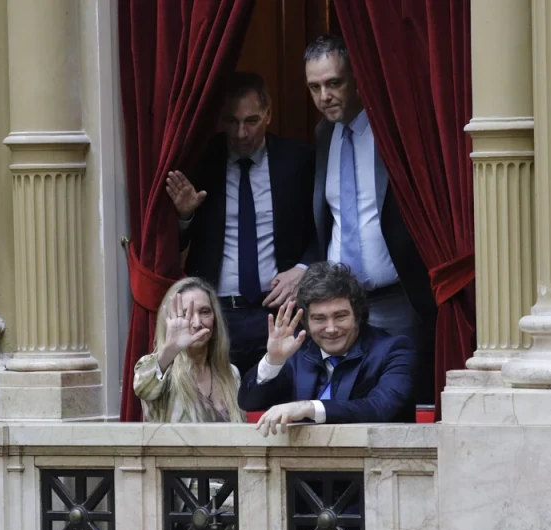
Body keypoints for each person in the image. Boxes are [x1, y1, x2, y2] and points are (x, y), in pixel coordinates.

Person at [303, 35, 435, 399]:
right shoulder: (323, 134)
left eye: (334, 83)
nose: (324, 96)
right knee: (341, 402)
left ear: (358, 78)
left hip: (396, 300)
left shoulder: (392, 130)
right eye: (314, 87)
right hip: (337, 307)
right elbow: (327, 217)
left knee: (401, 402)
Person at [166, 71, 316, 377]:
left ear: (269, 114)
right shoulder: (202, 159)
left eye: (251, 121)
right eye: (232, 122)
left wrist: (302, 269)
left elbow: (323, 229)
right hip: (216, 314)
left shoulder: (298, 161)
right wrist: (185, 216)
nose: (241, 133)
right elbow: (172, 243)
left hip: (278, 310)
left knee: (277, 402)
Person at [238, 262, 416, 436]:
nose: (330, 329)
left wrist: (307, 407)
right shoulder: (298, 352)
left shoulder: (394, 350)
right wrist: (273, 361)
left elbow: (380, 408)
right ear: (305, 322)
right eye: (319, 318)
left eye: (340, 316)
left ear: (358, 315)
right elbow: (249, 402)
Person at [133, 277, 244, 423]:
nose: (197, 323)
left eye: (205, 312)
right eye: (186, 314)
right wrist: (169, 351)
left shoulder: (231, 373)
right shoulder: (163, 369)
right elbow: (142, 388)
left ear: (215, 319)